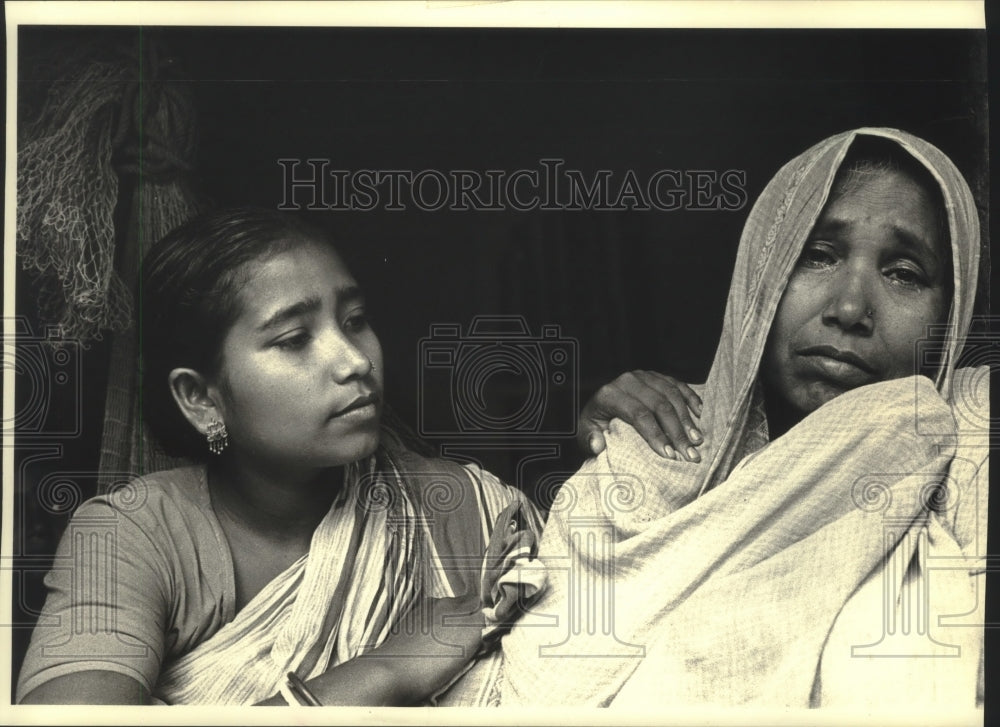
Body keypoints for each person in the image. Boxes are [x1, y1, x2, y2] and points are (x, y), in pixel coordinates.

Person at [440, 127, 988, 709]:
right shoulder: (649, 451)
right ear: (762, 274)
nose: (850, 309)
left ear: (950, 313)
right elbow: (538, 687)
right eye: (818, 255)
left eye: (904, 272)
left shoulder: (968, 445)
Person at [15, 208, 553, 706]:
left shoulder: (468, 508)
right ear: (201, 399)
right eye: (295, 339)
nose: (355, 361)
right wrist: (387, 671)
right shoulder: (132, 535)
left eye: (355, 319)